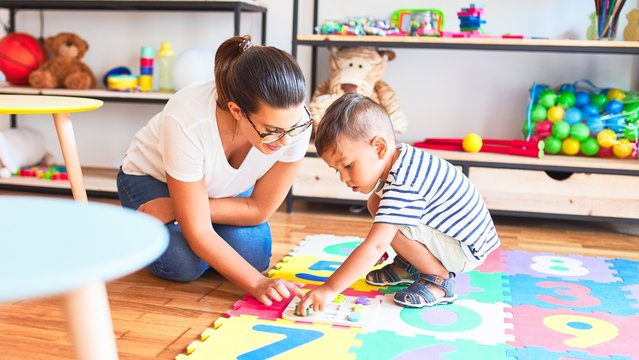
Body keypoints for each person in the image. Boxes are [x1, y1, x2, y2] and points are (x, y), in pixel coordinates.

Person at [117, 35, 313, 306]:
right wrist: (257, 283)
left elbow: (258, 209)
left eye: (293, 127)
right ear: (236, 110)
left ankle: (183, 218)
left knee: (253, 255)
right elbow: (199, 231)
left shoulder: (293, 123)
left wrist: (177, 208)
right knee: (183, 263)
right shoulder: (187, 117)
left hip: (207, 193)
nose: (285, 142)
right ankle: (130, 229)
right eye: (271, 132)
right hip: (151, 179)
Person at [297, 93, 500, 312]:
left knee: (388, 224)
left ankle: (439, 279)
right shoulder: (402, 159)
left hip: (464, 250)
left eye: (347, 165)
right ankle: (411, 265)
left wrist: (329, 289)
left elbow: (376, 245)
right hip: (456, 239)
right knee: (376, 204)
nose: (343, 178)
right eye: (337, 170)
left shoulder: (404, 180)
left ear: (379, 148)